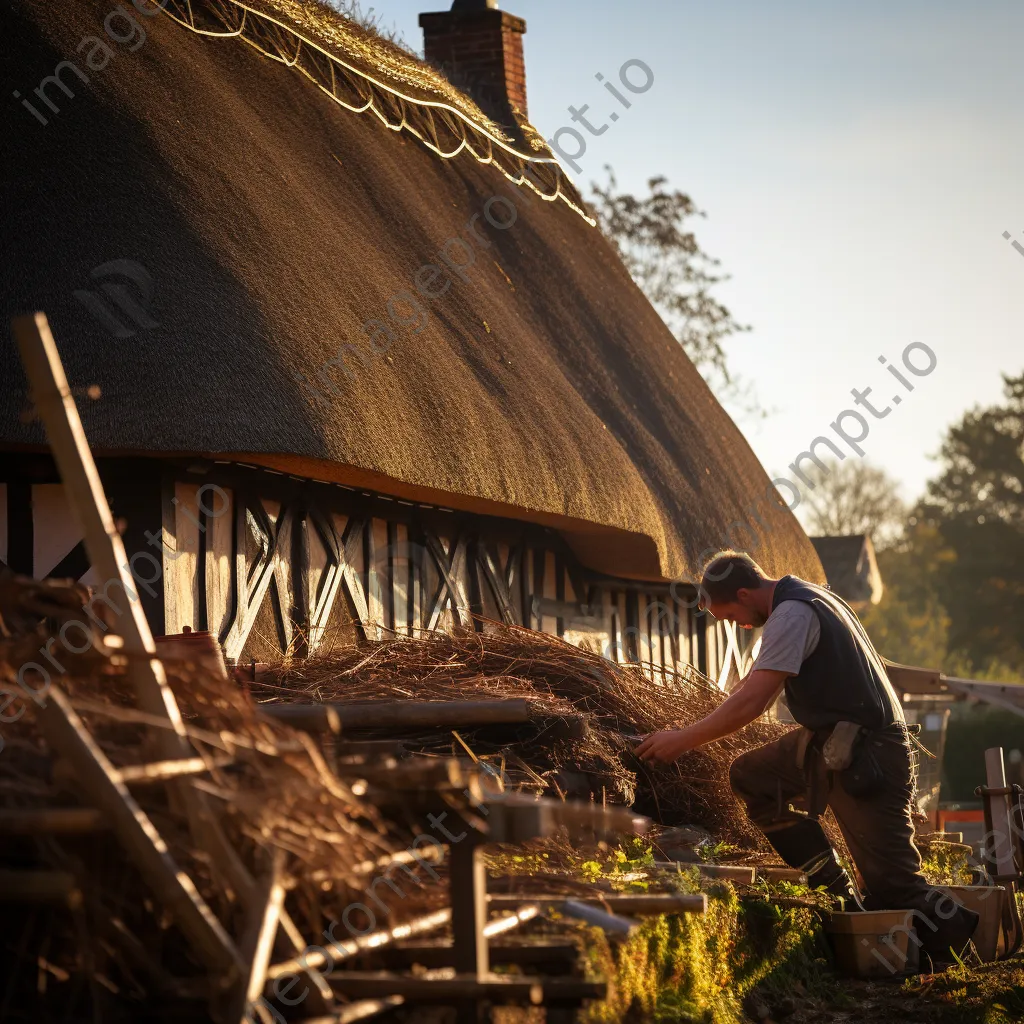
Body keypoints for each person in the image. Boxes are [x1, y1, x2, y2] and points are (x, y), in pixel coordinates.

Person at [635, 550, 978, 962]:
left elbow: (753, 704)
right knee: (753, 777)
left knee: (893, 883)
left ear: (744, 593)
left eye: (731, 617)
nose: (738, 626)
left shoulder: (792, 614)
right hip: (832, 743)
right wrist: (705, 718)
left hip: (870, 756)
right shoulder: (809, 598)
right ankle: (836, 892)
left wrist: (684, 739)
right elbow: (752, 685)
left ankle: (969, 952)